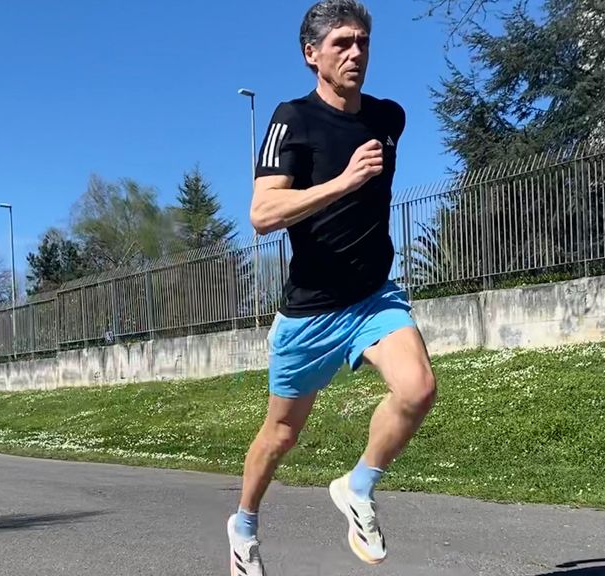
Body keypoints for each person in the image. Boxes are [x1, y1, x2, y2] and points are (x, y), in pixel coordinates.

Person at [226, 1, 438, 574]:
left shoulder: (388, 117)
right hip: (312, 311)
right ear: (311, 55)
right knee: (281, 434)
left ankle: (358, 486)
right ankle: (244, 524)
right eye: (341, 42)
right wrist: (344, 181)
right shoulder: (291, 118)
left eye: (363, 41)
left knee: (418, 388)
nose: (355, 52)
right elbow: (263, 213)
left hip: (373, 296)